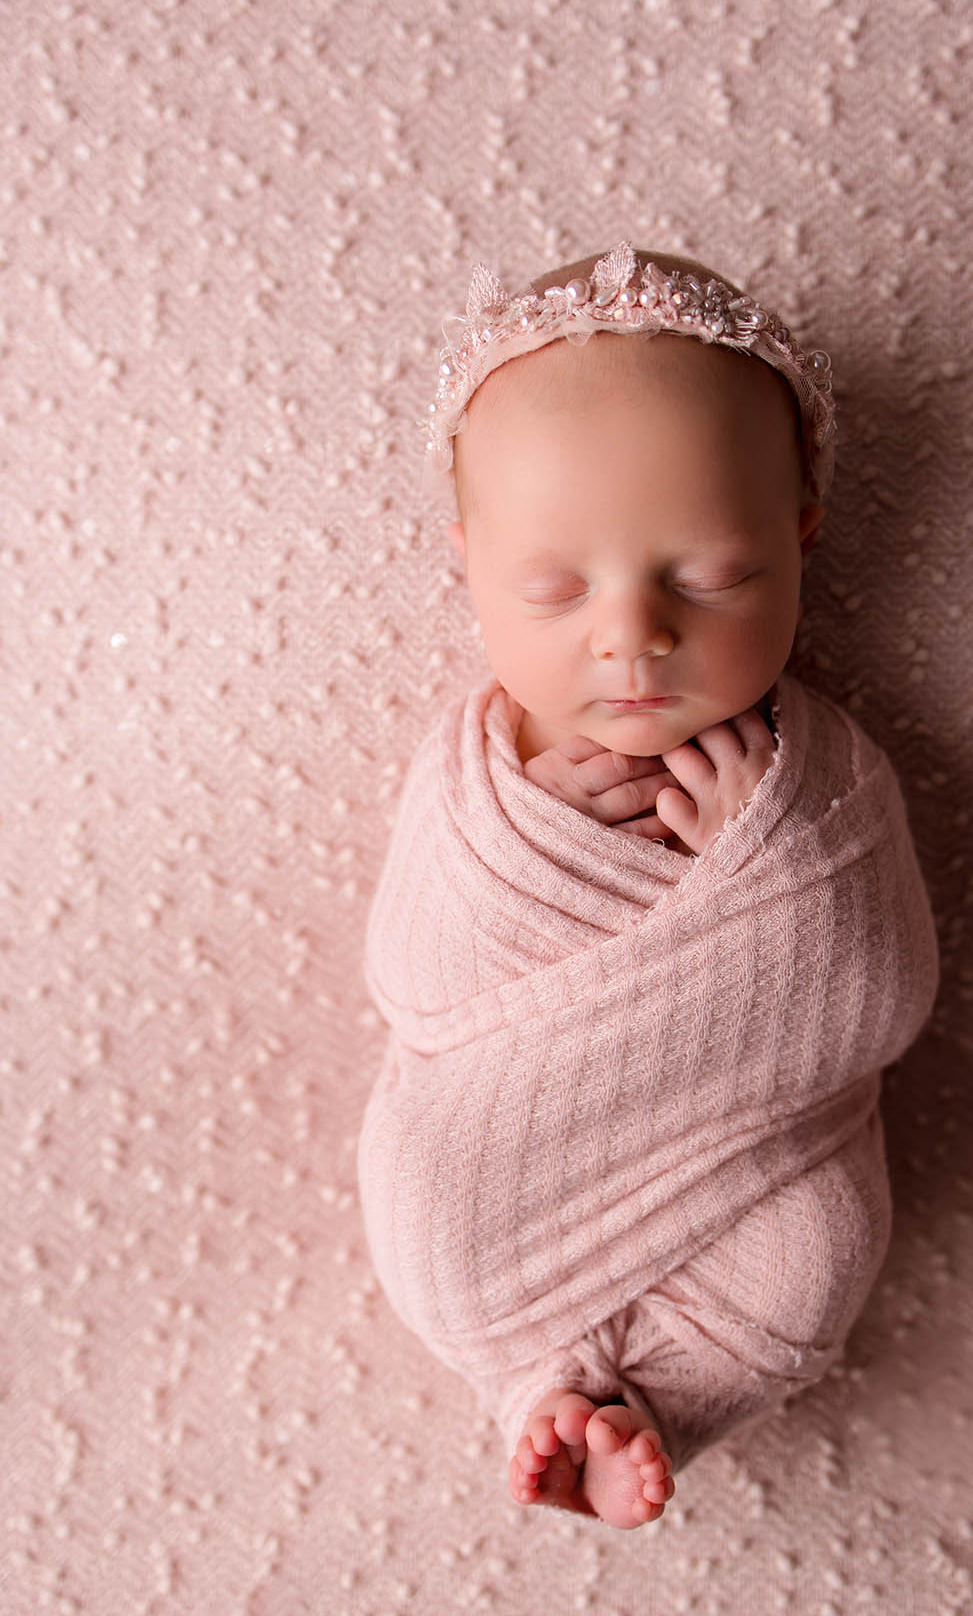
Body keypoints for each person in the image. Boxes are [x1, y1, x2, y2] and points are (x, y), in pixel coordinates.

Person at [358, 242, 938, 1529]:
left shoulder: (826, 780)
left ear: (799, 532)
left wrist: (778, 867)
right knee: (435, 1223)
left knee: (819, 1252)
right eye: (554, 588)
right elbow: (415, 983)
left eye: (712, 576)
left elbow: (883, 997)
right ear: (467, 559)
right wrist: (521, 852)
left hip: (757, 1163)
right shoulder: (475, 782)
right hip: (508, 1168)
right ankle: (546, 1393)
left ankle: (656, 1404)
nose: (633, 634)